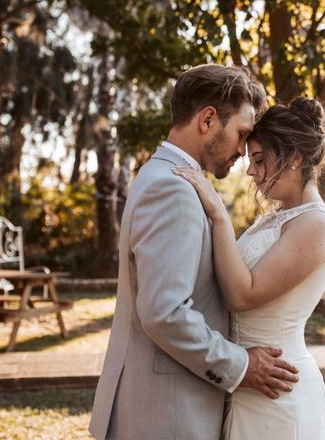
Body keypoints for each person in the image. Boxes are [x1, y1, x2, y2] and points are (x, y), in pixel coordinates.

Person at [89, 64, 299, 440]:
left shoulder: (162, 176)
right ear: (207, 120)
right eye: (241, 133)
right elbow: (164, 312)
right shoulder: (173, 189)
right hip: (165, 416)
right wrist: (240, 365)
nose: (243, 150)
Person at [174, 96, 325, 439]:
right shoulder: (279, 216)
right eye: (251, 160)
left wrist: (219, 215)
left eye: (261, 160)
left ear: (295, 158)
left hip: (279, 391)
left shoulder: (316, 224)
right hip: (246, 382)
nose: (250, 171)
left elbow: (242, 294)